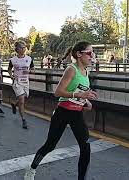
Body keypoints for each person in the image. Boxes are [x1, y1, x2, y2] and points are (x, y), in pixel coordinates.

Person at [24, 41, 98, 180]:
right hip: (63, 112)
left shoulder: (86, 71)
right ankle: (32, 168)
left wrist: (86, 101)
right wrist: (79, 95)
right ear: (79, 54)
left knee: (86, 147)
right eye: (89, 53)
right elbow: (58, 92)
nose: (91, 56)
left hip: (77, 113)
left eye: (92, 53)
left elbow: (79, 91)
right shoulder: (71, 69)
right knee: (50, 145)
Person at [8, 41, 35, 129]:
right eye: (21, 47)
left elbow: (33, 70)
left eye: (24, 47)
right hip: (17, 82)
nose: (23, 49)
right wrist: (11, 76)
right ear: (17, 49)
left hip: (25, 82)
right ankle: (24, 120)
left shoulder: (29, 59)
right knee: (22, 100)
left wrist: (29, 71)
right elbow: (9, 69)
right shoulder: (13, 60)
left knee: (22, 99)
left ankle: (14, 104)